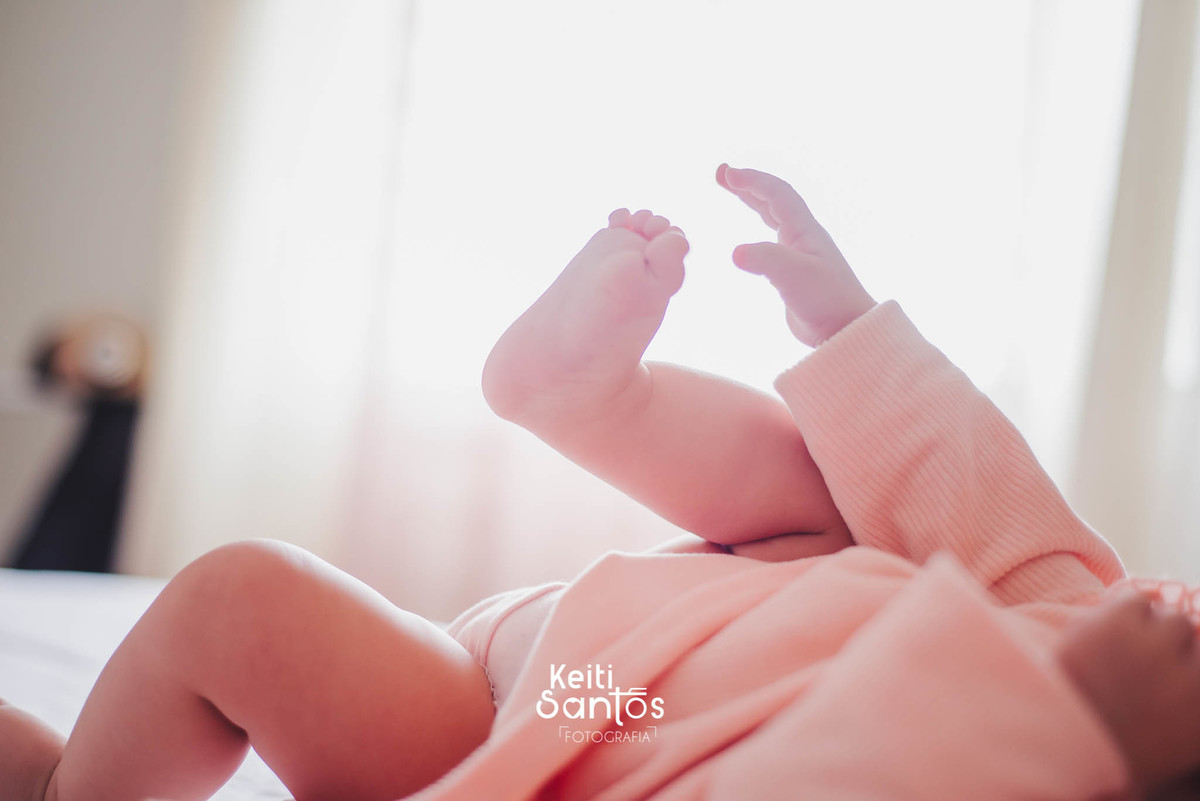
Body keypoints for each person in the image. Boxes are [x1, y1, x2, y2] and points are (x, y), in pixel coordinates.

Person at [1, 164, 1197, 801]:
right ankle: (586, 399)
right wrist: (850, 333)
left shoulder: (1061, 751)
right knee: (848, 498)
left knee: (243, 602)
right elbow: (991, 518)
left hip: (554, 730)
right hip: (638, 637)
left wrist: (1064, 730)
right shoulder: (1117, 629)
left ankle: (68, 792)